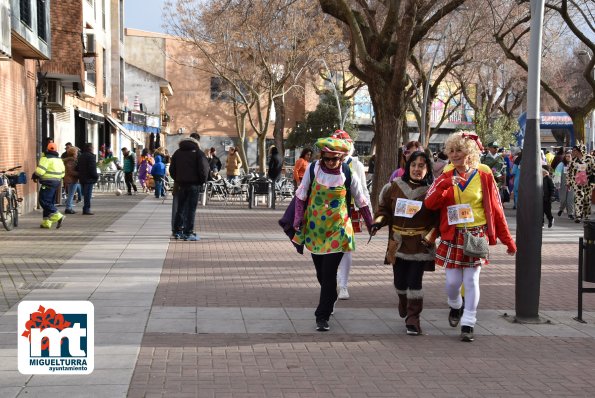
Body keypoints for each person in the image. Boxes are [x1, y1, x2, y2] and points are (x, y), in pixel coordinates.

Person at [424, 131, 516, 342]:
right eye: (452, 151)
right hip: (452, 233)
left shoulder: (484, 174)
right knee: (452, 282)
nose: (455, 155)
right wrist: (446, 185)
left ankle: (469, 322)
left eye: (460, 150)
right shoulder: (445, 175)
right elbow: (430, 203)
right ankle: (455, 305)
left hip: (476, 233)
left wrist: (508, 240)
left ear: (470, 152)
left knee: (472, 280)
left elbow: (496, 209)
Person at [292, 136, 373, 332]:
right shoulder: (313, 169)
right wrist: (297, 219)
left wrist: (371, 223)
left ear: (341, 158)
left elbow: (361, 199)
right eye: (326, 159)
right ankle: (330, 295)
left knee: (328, 273)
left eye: (334, 160)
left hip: (338, 229)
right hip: (315, 230)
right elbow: (301, 195)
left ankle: (322, 315)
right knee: (321, 273)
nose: (330, 163)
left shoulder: (347, 172)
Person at [371, 151, 439, 335]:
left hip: (420, 244)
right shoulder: (394, 187)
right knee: (400, 282)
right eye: (413, 165)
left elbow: (439, 219)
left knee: (414, 282)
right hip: (397, 242)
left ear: (428, 168)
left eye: (421, 166)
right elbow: (384, 209)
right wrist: (378, 222)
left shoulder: (434, 190)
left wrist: (431, 236)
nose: (417, 169)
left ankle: (413, 318)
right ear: (408, 166)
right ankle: (403, 300)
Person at [331, 130, 371, 300]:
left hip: (350, 211)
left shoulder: (356, 165)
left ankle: (343, 284)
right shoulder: (324, 163)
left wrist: (370, 215)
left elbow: (362, 190)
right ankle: (330, 284)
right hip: (328, 213)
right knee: (330, 249)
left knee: (346, 249)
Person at [169, 136, 210, 241]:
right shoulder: (198, 153)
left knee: (180, 208)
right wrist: (202, 182)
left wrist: (178, 179)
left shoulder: (177, 153)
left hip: (181, 185)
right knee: (191, 209)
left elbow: (172, 169)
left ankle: (177, 231)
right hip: (194, 185)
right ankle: (188, 232)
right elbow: (204, 169)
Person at [33, 143, 66, 229]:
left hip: (47, 182)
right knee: (50, 201)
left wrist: (34, 176)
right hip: (57, 182)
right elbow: (63, 172)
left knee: (44, 201)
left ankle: (58, 216)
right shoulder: (59, 159)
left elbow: (40, 171)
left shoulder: (45, 158)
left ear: (47, 149)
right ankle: (46, 222)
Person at [568, 144, 595, 223]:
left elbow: (594, 169)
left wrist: (593, 181)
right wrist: (568, 182)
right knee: (579, 197)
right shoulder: (573, 160)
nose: (573, 152)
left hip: (588, 182)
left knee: (587, 199)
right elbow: (569, 172)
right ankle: (578, 216)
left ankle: (586, 215)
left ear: (580, 150)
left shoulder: (589, 158)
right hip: (577, 183)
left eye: (575, 150)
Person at [76, 143, 99, 215]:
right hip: (89, 179)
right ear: (90, 148)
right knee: (88, 194)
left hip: (82, 178)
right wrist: (96, 176)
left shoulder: (81, 156)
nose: (93, 148)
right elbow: (92, 168)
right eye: (93, 147)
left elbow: (77, 167)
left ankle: (85, 208)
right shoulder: (91, 157)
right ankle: (86, 209)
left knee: (85, 194)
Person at [555, 150, 575, 220]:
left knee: (570, 200)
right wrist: (557, 184)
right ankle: (561, 209)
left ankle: (570, 214)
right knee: (563, 200)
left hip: (572, 185)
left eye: (569, 156)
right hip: (563, 184)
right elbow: (557, 174)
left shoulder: (574, 164)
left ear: (571, 157)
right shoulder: (561, 164)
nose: (567, 157)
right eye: (566, 156)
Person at [62, 146, 80, 214]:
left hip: (70, 179)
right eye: (76, 153)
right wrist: (79, 174)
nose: (77, 154)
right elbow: (71, 171)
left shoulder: (70, 160)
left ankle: (69, 207)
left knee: (71, 194)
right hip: (71, 179)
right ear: (73, 153)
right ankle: (68, 208)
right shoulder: (71, 161)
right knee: (71, 194)